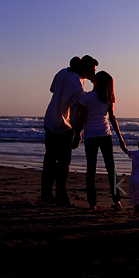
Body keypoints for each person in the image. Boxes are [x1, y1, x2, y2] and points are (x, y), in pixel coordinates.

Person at [41, 55, 98, 206]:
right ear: (84, 69)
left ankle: (46, 193)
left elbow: (52, 89)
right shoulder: (78, 87)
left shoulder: (62, 72)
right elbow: (74, 113)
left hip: (49, 119)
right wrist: (77, 132)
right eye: (92, 71)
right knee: (63, 163)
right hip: (63, 124)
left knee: (49, 160)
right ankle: (61, 195)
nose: (93, 74)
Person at [72, 71, 127, 211]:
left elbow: (82, 118)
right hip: (105, 135)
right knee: (111, 169)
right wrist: (120, 138)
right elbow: (112, 118)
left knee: (91, 169)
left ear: (97, 82)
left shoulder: (86, 98)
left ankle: (92, 202)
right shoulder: (108, 98)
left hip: (91, 135)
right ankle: (117, 200)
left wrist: (76, 133)